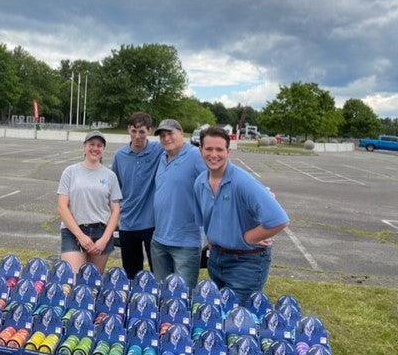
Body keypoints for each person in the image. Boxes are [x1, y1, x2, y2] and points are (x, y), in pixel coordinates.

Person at [194, 126, 289, 305]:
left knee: (236, 321)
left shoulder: (243, 182)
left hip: (246, 262)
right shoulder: (200, 182)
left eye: (219, 149)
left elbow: (279, 220)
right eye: (208, 149)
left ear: (228, 152)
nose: (214, 154)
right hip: (216, 259)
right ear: (200, 150)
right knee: (217, 316)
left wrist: (247, 238)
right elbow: (207, 219)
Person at [151, 119, 207, 289]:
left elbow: (221, 176)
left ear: (182, 133)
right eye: (162, 135)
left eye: (170, 133)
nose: (166, 138)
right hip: (159, 240)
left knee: (183, 295)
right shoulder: (162, 157)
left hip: (186, 242)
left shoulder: (195, 155)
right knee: (162, 293)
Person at [57, 131, 122, 275]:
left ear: (103, 150)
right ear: (84, 147)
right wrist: (80, 236)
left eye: (99, 145)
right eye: (91, 144)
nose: (95, 148)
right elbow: (62, 206)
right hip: (74, 231)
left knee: (92, 282)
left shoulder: (110, 176)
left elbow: (116, 211)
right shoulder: (70, 172)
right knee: (72, 279)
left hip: (101, 233)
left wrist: (104, 239)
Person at [111, 112, 164, 278]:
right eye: (134, 131)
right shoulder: (120, 156)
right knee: (132, 273)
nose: (137, 136)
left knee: (158, 272)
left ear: (149, 131)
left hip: (152, 224)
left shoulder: (159, 150)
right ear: (128, 130)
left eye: (142, 131)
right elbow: (115, 189)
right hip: (128, 223)